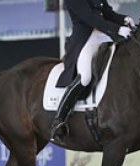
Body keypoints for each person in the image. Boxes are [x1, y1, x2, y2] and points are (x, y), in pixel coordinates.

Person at [50, 0, 135, 142]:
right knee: (85, 77)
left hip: (106, 34)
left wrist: (124, 19)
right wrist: (117, 29)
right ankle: (59, 119)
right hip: (87, 38)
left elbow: (108, 13)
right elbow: (89, 18)